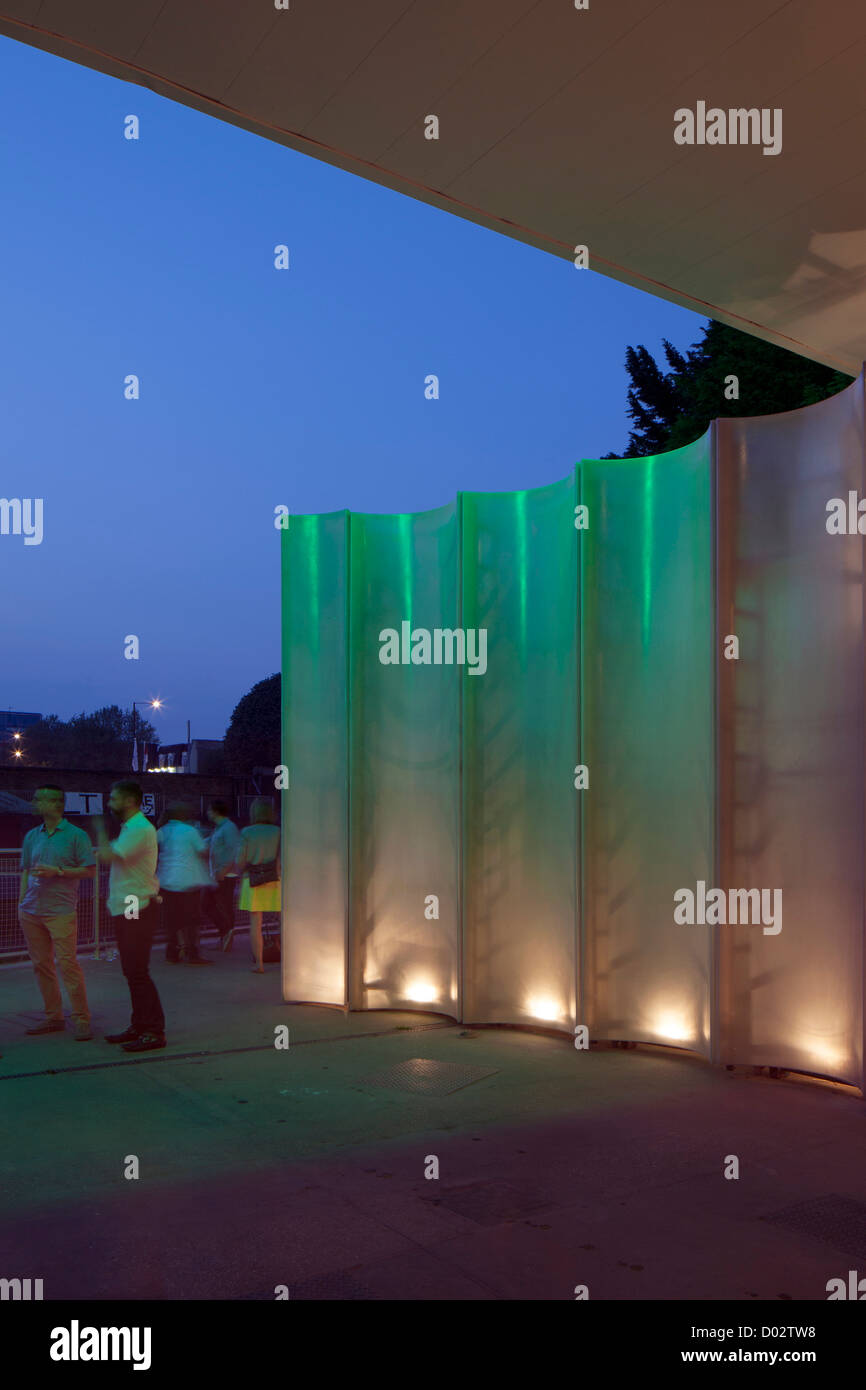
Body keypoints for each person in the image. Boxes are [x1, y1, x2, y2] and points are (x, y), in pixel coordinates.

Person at [18, 785, 96, 1041]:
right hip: (31, 910)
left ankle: (81, 1018)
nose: (34, 802)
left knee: (67, 964)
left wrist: (59, 872)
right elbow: (27, 870)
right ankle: (54, 1016)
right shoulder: (32, 835)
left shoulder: (76, 835)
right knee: (42, 965)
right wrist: (21, 903)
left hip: (60, 910)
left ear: (56, 804)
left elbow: (89, 870)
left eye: (40, 799)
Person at [95, 781, 165, 1052]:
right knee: (132, 970)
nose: (109, 803)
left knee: (137, 971)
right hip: (128, 904)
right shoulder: (131, 828)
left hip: (136, 904)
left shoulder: (139, 828)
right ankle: (140, 1025)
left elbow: (108, 855)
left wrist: (100, 831)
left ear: (130, 801)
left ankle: (154, 1031)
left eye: (114, 799)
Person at [157, 803, 211, 965]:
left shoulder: (161, 831)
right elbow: (203, 851)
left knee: (171, 919)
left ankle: (172, 952)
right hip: (189, 881)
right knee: (192, 920)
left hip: (166, 881)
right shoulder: (191, 831)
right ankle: (192, 953)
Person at [236, 798, 280, 973]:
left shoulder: (247, 832)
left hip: (252, 879)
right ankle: (289, 959)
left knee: (256, 923)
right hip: (275, 878)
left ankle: (259, 963)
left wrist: (241, 871)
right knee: (281, 919)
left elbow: (240, 860)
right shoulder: (278, 831)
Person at [203, 799, 240, 952]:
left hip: (226, 875)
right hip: (217, 874)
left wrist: (223, 871)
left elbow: (233, 850)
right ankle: (225, 933)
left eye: (209, 810)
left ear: (215, 811)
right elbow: (209, 844)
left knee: (222, 905)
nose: (207, 813)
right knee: (207, 904)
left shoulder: (229, 828)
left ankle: (226, 935)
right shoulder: (219, 828)